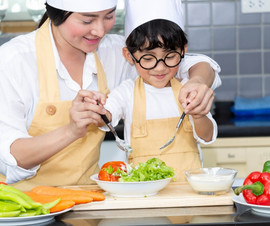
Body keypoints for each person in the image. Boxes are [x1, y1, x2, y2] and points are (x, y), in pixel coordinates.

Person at [0, 0, 221, 190]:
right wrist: (71, 131)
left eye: (108, 16)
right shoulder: (13, 61)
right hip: (26, 206)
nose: (100, 30)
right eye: (87, 20)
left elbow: (187, 63)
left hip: (87, 203)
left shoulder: (113, 51)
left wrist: (198, 82)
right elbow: (13, 157)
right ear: (56, 15)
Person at [91, 0, 217, 181]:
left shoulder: (188, 89)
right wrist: (97, 108)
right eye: (148, 59)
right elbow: (106, 116)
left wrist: (198, 115)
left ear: (183, 51)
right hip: (142, 193)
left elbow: (207, 136)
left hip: (188, 192)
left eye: (171, 57)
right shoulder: (127, 92)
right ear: (129, 56)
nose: (160, 68)